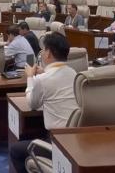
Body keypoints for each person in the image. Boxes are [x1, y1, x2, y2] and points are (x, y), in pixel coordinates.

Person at [9, 33, 78, 173]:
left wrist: (30, 77)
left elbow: (32, 104)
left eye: (44, 49)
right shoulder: (75, 74)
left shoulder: (43, 79)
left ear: (48, 53)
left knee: (15, 150)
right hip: (75, 140)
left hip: (57, 144)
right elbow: (57, 77)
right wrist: (43, 72)